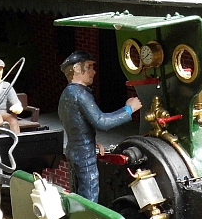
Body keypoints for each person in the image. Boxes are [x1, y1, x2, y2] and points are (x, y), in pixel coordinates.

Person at [58, 50, 142, 203]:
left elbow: (74, 123)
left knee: (77, 191)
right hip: (84, 153)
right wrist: (129, 109)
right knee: (89, 193)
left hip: (74, 148)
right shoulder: (80, 94)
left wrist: (89, 139)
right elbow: (102, 122)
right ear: (76, 69)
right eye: (89, 67)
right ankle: (87, 217)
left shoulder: (66, 93)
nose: (94, 72)